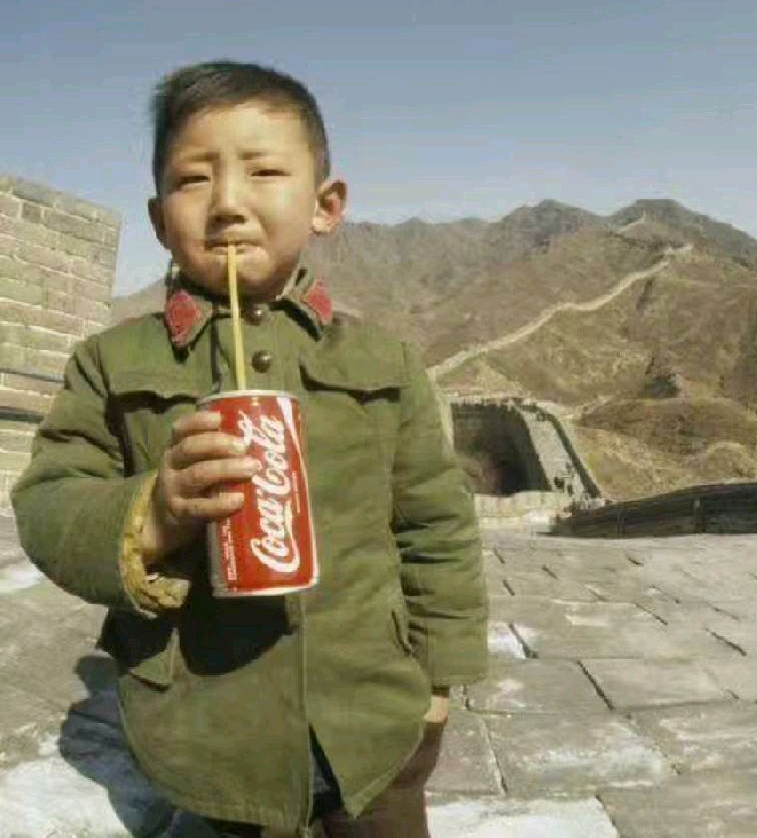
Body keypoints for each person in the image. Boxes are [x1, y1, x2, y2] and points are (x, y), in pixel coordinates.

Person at [13, 60, 489, 837]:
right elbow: (49, 500)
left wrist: (437, 686)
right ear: (159, 218)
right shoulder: (112, 363)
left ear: (326, 206)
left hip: (373, 722)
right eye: (193, 179)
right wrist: (154, 515)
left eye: (264, 172)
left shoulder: (384, 363)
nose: (228, 203)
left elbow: (437, 527)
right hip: (206, 730)